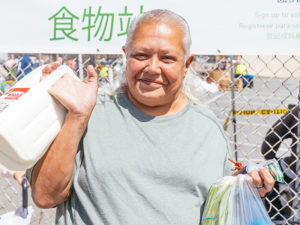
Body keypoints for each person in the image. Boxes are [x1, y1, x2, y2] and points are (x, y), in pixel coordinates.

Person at [27, 9, 274, 225]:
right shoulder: (86, 111)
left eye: (167, 58)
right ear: (126, 54)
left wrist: (248, 188)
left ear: (187, 64)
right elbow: (45, 196)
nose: (152, 68)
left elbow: (221, 207)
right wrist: (77, 117)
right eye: (141, 55)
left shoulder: (207, 129)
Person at [261, 104, 300, 223]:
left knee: (265, 171)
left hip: (294, 168)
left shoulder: (296, 111)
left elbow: (271, 138)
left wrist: (271, 160)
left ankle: (275, 212)